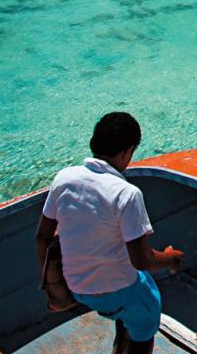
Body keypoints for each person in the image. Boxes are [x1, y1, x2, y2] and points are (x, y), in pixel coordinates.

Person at [36, 112, 185, 354]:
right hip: (116, 291)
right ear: (128, 152)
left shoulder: (64, 179)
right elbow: (141, 260)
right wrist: (171, 258)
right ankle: (133, 341)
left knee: (127, 290)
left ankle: (120, 341)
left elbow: (42, 237)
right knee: (147, 313)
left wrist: (55, 286)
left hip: (78, 289)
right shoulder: (126, 194)